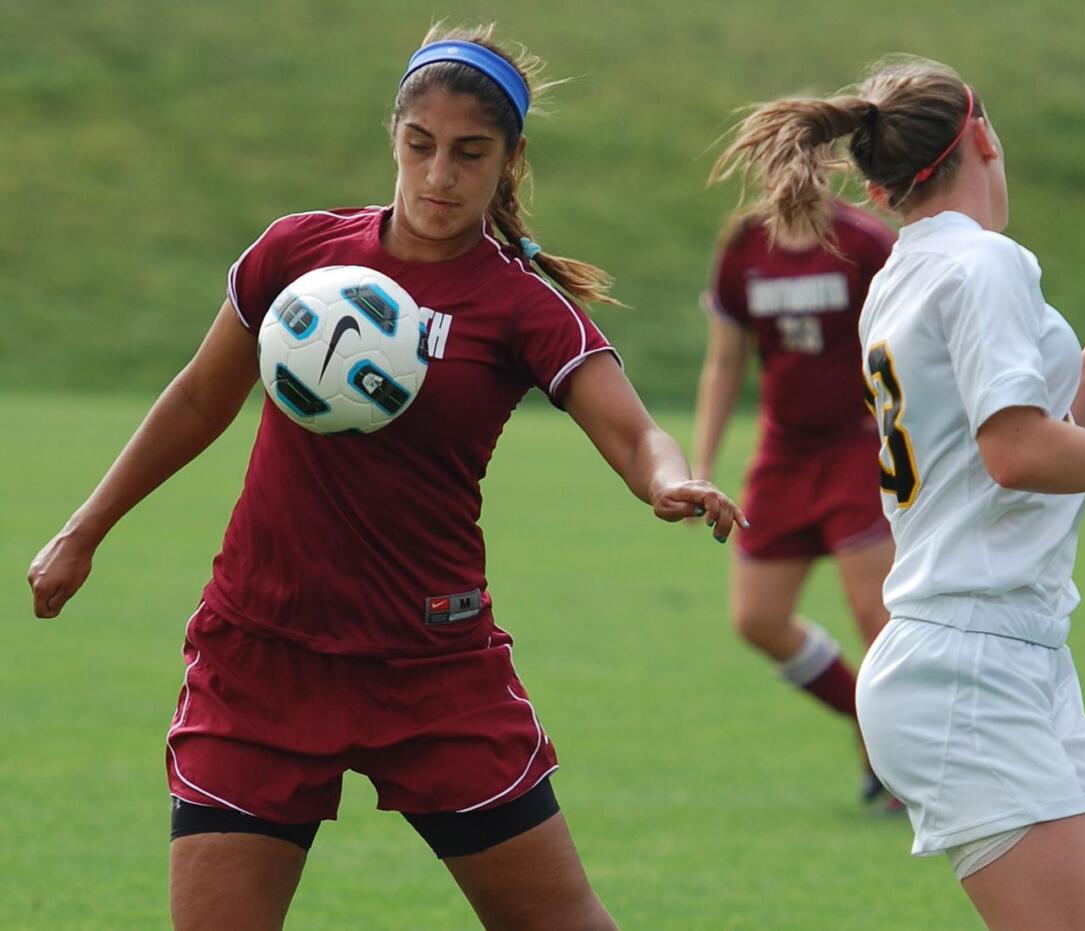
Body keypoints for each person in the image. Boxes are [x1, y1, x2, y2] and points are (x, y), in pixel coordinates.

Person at [27, 24, 746, 931]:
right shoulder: (298, 256)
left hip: (432, 667)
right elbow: (198, 400)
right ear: (393, 139)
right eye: (422, 147)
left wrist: (668, 483)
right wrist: (84, 529)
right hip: (262, 656)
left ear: (511, 160)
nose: (440, 175)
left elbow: (637, 430)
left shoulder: (522, 306)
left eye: (469, 154)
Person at [714, 56, 1085, 928]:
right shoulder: (984, 265)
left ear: (879, 192)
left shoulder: (905, 274)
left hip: (1016, 659)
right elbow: (1016, 456)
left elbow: (990, 462)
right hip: (968, 666)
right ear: (983, 135)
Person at [691, 182, 897, 805]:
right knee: (757, 619)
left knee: (878, 621)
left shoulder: (864, 243)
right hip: (784, 455)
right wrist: (699, 466)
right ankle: (868, 718)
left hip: (859, 450)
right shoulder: (745, 247)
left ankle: (908, 769)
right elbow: (726, 362)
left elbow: (909, 350)